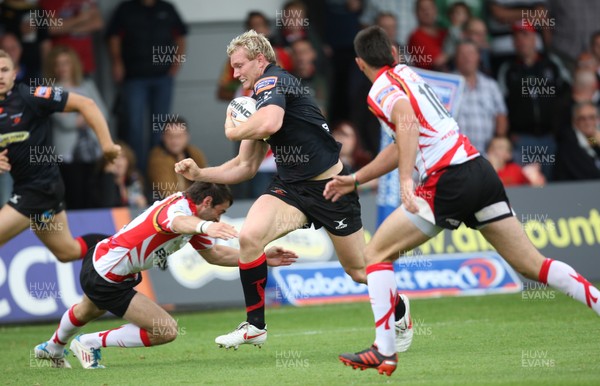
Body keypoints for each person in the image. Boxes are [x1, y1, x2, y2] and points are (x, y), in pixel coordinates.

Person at [325, 26, 600, 376]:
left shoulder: (379, 88)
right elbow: (400, 141)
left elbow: (406, 122)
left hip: (447, 179)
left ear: (359, 63)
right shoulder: (407, 72)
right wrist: (355, 179)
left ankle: (385, 350)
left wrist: (406, 180)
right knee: (534, 265)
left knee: (375, 254)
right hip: (479, 171)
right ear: (394, 53)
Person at [174, 30, 413, 352]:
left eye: (240, 65)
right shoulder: (258, 99)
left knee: (358, 270)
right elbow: (244, 167)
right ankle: (255, 326)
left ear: (261, 60)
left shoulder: (273, 82)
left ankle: (400, 309)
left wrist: (231, 128)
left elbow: (270, 124)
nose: (235, 74)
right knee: (249, 237)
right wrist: (201, 172)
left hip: (332, 188)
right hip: (290, 188)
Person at [33, 182, 299, 369]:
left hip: (105, 264)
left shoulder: (195, 218)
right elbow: (176, 223)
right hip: (107, 275)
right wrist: (206, 225)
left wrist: (260, 255)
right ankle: (89, 342)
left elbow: (215, 256)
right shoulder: (178, 211)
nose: (220, 219)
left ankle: (53, 347)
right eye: (220, 211)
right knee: (166, 330)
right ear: (207, 202)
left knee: (87, 311)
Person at [0, 49, 120, 263]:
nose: (0, 75)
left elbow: (87, 104)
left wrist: (107, 145)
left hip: (40, 188)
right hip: (30, 188)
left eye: (4, 70)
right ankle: (124, 245)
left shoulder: (31, 95)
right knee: (68, 252)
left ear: (15, 73)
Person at [106, 0, 187, 170]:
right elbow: (113, 37)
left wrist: (176, 62)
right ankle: (137, 173)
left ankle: (156, 170)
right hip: (134, 76)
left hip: (162, 76)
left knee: (159, 128)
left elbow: (180, 35)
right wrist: (117, 62)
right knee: (134, 127)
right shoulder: (125, 9)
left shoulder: (167, 9)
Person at [44, 45, 106, 209]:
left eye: (66, 63)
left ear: (74, 64)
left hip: (93, 149)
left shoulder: (87, 85)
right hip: (68, 154)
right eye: (58, 64)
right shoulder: (51, 90)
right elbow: (66, 123)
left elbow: (103, 114)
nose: (62, 67)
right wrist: (88, 110)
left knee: (95, 196)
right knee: (74, 197)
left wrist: (77, 112)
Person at [454, 40, 508, 152]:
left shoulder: (491, 85)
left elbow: (501, 116)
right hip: (455, 154)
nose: (467, 58)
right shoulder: (447, 84)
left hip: (486, 154)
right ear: (456, 58)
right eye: (462, 54)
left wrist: (497, 143)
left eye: (470, 53)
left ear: (478, 57)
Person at [147, 116, 208, 201]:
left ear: (187, 136)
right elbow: (169, 194)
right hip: (169, 206)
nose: (175, 141)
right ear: (163, 137)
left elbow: (206, 182)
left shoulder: (195, 153)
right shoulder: (157, 159)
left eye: (179, 136)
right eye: (170, 136)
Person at [39, 0, 104, 76]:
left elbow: (97, 24)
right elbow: (51, 28)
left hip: (84, 62)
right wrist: (80, 18)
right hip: (60, 65)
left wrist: (66, 28)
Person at [93, 141, 147, 209]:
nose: (119, 163)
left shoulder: (134, 179)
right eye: (115, 158)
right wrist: (108, 176)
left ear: (128, 161)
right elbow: (107, 205)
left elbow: (143, 205)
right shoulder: (98, 183)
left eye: (123, 157)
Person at [555, 102, 600, 181]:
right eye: (582, 118)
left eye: (592, 117)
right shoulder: (569, 147)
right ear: (574, 122)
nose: (588, 122)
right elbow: (591, 175)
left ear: (598, 120)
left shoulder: (593, 141)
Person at [406, 0, 448, 70]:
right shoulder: (415, 37)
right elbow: (436, 63)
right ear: (416, 13)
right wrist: (451, 53)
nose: (427, 12)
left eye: (429, 8)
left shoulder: (444, 33)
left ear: (436, 10)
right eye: (422, 9)